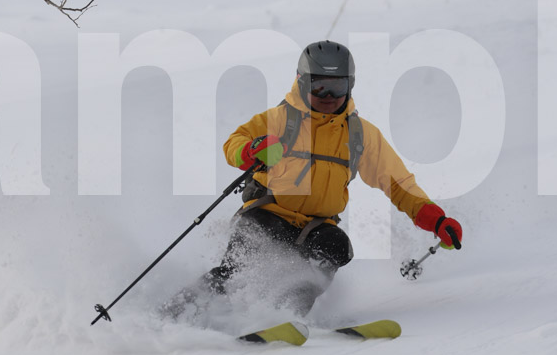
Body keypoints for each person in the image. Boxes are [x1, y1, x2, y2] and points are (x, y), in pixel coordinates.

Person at [163, 40, 462, 327]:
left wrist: (436, 220)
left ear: (350, 85)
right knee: (238, 271)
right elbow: (234, 144)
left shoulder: (359, 134)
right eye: (319, 86)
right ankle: (174, 314)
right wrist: (253, 149)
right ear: (302, 82)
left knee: (333, 250)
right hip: (268, 212)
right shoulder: (281, 119)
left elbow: (397, 183)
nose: (328, 95)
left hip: (317, 226)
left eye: (337, 87)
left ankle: (283, 317)